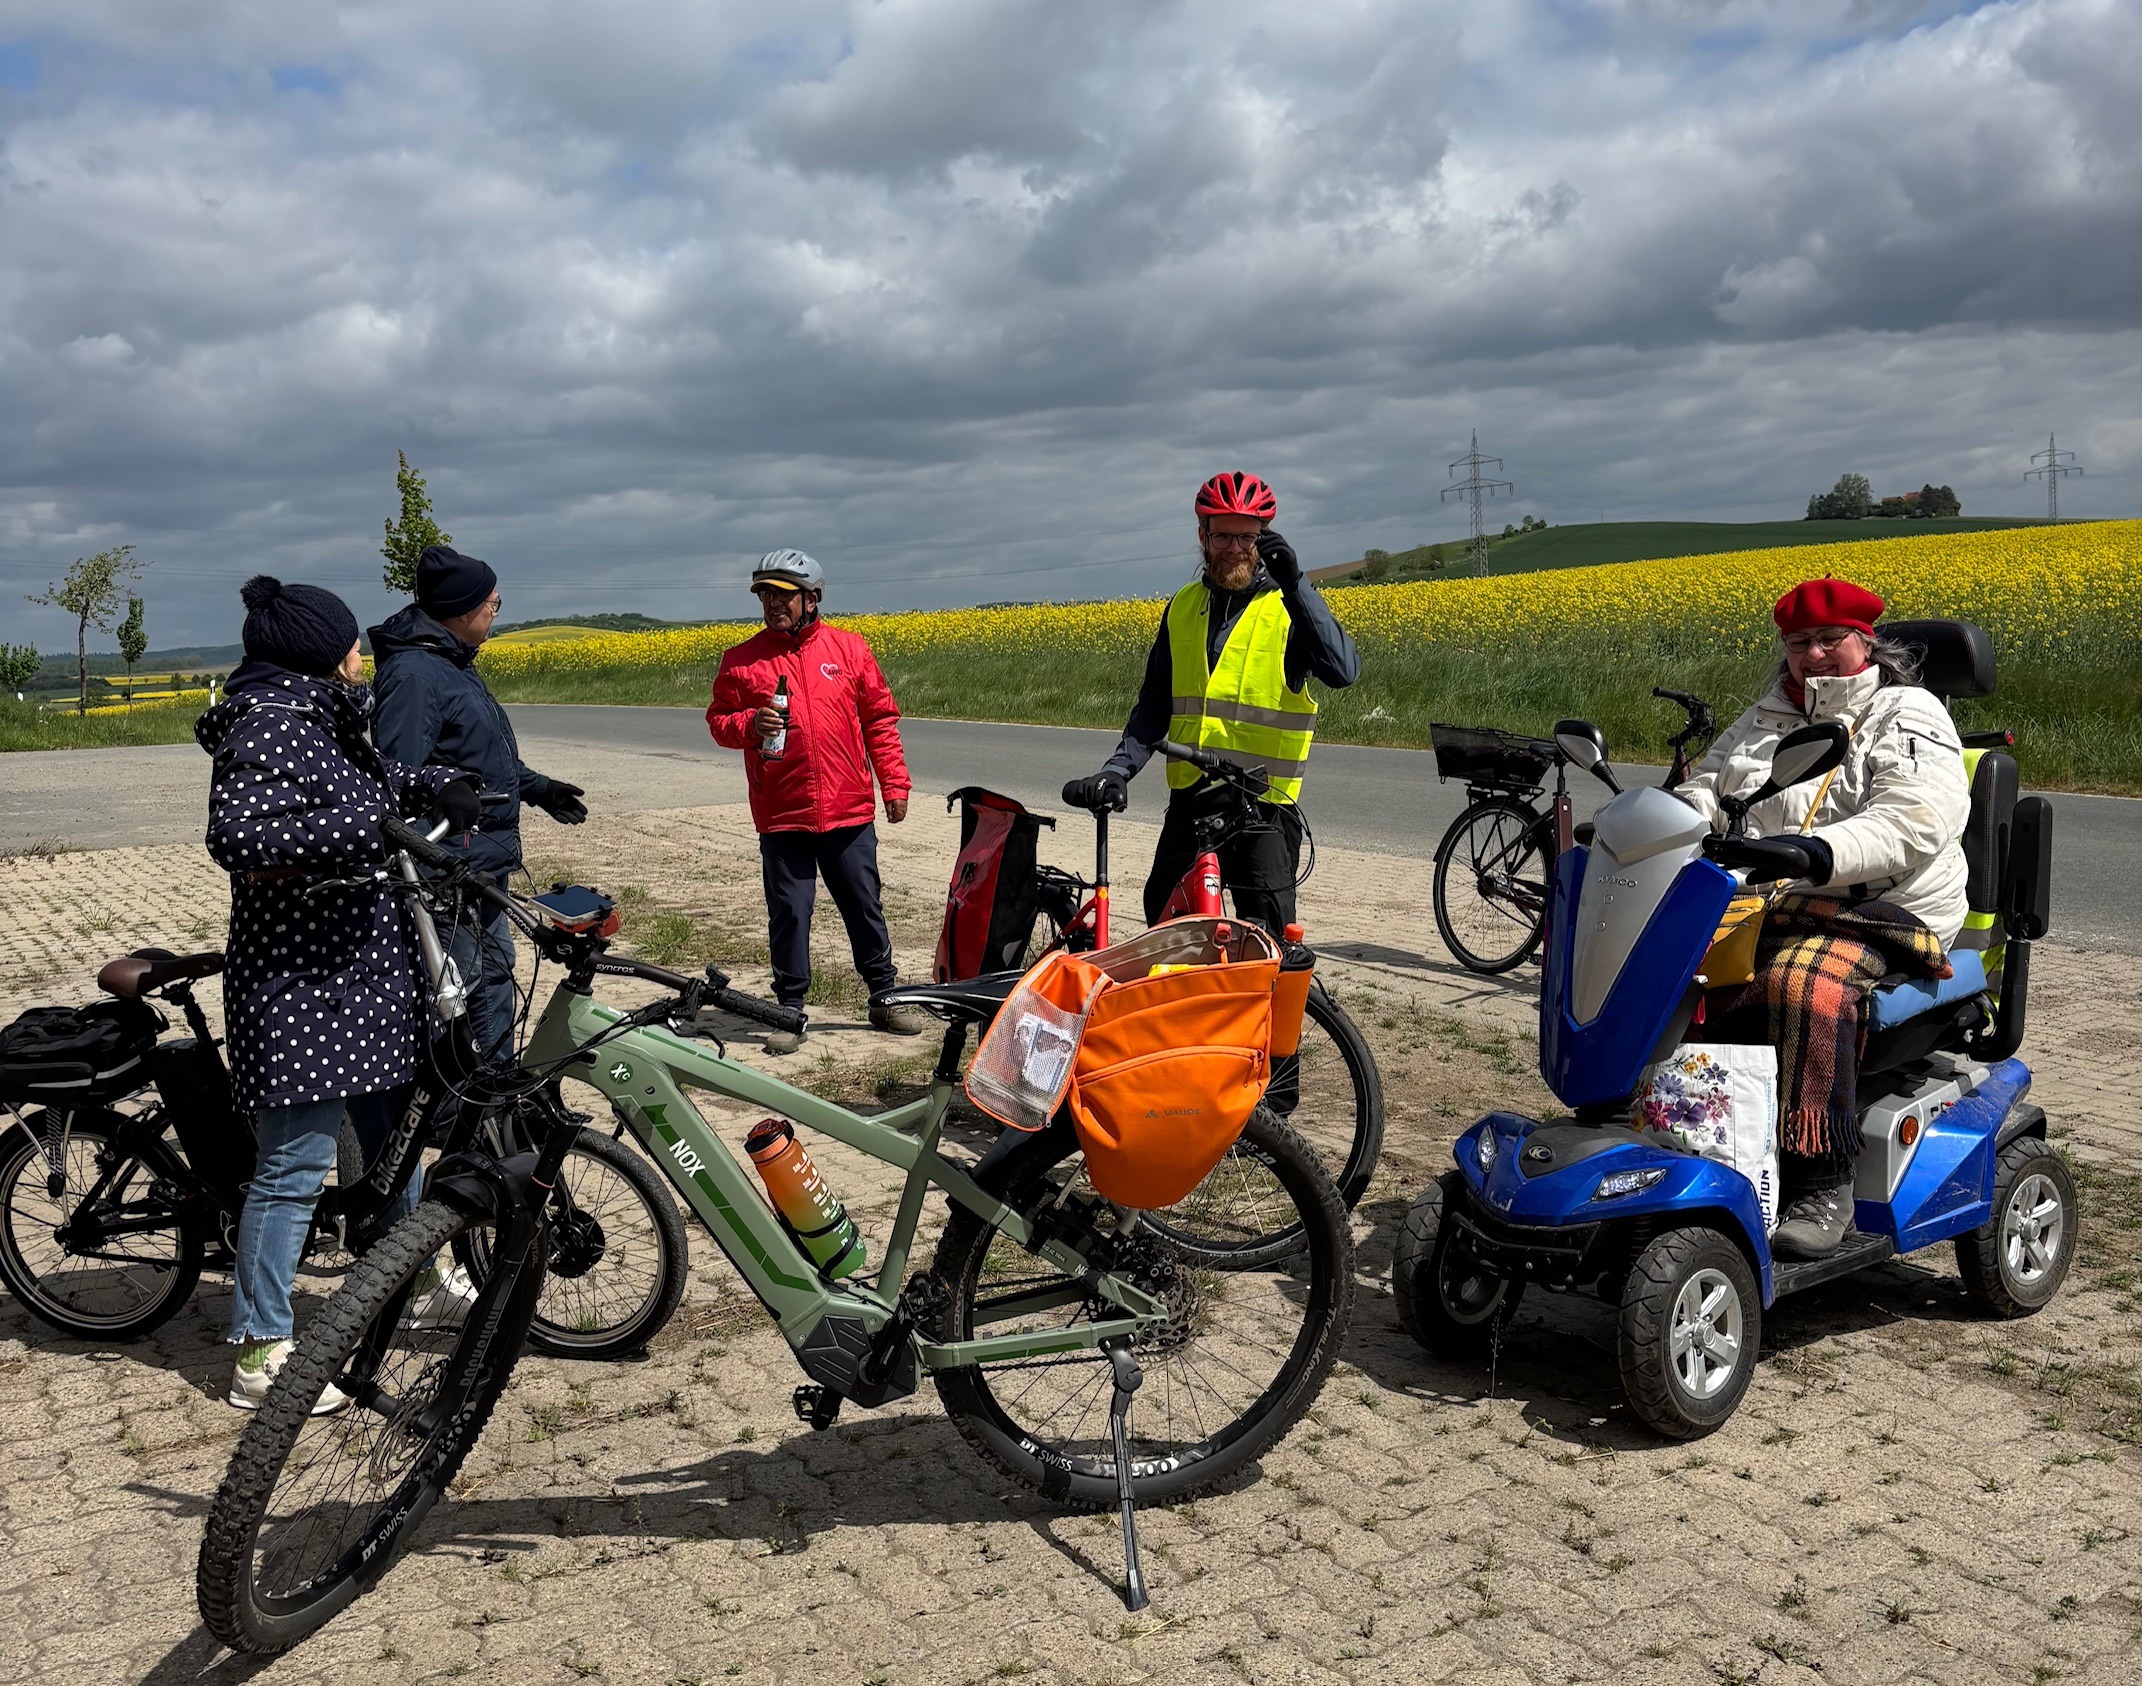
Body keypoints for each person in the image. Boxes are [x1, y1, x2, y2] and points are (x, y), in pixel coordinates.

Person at [199, 576, 481, 1410]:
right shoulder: (264, 724)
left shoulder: (318, 717)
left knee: (394, 1136)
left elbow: (370, 778)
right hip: (296, 983)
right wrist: (371, 829)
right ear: (318, 655)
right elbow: (238, 835)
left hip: (354, 972)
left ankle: (422, 1272)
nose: (363, 655)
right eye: (352, 643)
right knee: (292, 1167)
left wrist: (432, 785)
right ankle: (258, 1351)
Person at [1674, 576, 1970, 1260]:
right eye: (1800, 642)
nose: (1814, 655)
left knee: (1799, 985)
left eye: (1830, 640)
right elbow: (1710, 789)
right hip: (1783, 899)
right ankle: (1695, 1133)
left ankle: (1820, 1176)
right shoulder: (1765, 716)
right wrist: (1662, 823)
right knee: (1677, 973)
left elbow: (1916, 820)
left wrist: (1817, 852)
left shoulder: (1908, 713)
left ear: (1864, 643)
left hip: (1887, 906)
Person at [1065, 471, 1360, 936]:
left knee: (1268, 945)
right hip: (1193, 802)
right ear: (1202, 536)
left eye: (1247, 536)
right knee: (1167, 925)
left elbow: (1342, 671)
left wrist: (1297, 584)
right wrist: (1117, 769)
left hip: (1264, 807)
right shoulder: (1182, 606)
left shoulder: (1287, 608)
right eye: (1222, 535)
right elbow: (1154, 704)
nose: (1235, 548)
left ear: (1265, 539)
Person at [705, 549, 929, 1053]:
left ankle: (885, 998)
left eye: (782, 595)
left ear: (813, 597)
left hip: (848, 811)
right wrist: (748, 725)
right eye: (765, 595)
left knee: (864, 906)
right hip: (782, 814)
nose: (772, 604)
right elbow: (718, 722)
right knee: (790, 912)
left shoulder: (850, 650)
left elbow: (879, 722)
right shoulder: (741, 660)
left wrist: (894, 784)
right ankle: (788, 1011)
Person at [370, 545, 588, 1064]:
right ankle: (462, 1112)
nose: (496, 610)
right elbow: (393, 776)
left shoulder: (450, 662)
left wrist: (540, 788)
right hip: (448, 864)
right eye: (492, 601)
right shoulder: (416, 675)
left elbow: (476, 759)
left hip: (482, 861)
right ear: (462, 608)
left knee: (494, 974)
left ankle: (495, 1094)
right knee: (462, 988)